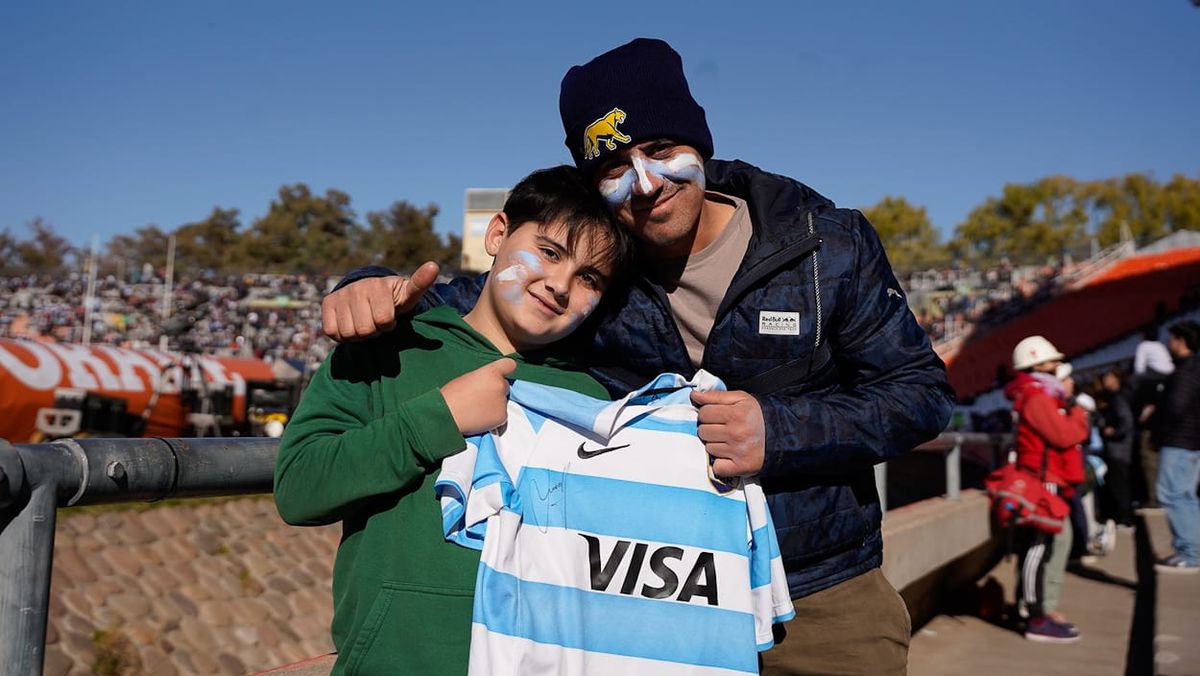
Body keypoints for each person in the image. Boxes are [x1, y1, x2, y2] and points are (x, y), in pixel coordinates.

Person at [321, 38, 955, 675]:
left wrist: (780, 430)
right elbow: (473, 297)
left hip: (820, 594)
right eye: (614, 165)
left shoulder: (824, 242)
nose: (646, 183)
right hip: (652, 600)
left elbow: (921, 393)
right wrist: (368, 282)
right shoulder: (598, 273)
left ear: (698, 142)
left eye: (660, 150)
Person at [274, 166, 634, 675]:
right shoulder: (383, 349)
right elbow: (299, 489)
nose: (559, 285)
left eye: (588, 278)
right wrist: (437, 417)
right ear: (497, 233)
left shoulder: (594, 405)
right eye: (550, 252)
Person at [1005, 336, 1088, 642]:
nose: (1058, 368)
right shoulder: (1037, 396)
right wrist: (1077, 411)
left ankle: (1037, 609)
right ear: (1036, 365)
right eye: (1052, 363)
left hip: (1049, 476)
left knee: (1052, 543)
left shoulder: (1040, 394)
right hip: (1043, 478)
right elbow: (1064, 435)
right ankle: (1035, 616)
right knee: (1041, 547)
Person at [1153, 320, 1200, 573]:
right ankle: (1190, 549)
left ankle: (1189, 553)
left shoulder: (1184, 373)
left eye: (1171, 340)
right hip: (1191, 441)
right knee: (1187, 497)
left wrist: (1157, 428)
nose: (1168, 345)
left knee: (1172, 494)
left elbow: (1175, 408)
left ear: (1181, 342)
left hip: (1179, 441)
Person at [1099, 369, 1135, 528]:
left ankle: (1125, 518)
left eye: (1108, 378)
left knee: (1120, 485)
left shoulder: (1118, 398)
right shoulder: (1115, 398)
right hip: (1120, 449)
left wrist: (1112, 432)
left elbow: (1126, 422)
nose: (1106, 382)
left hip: (1119, 449)